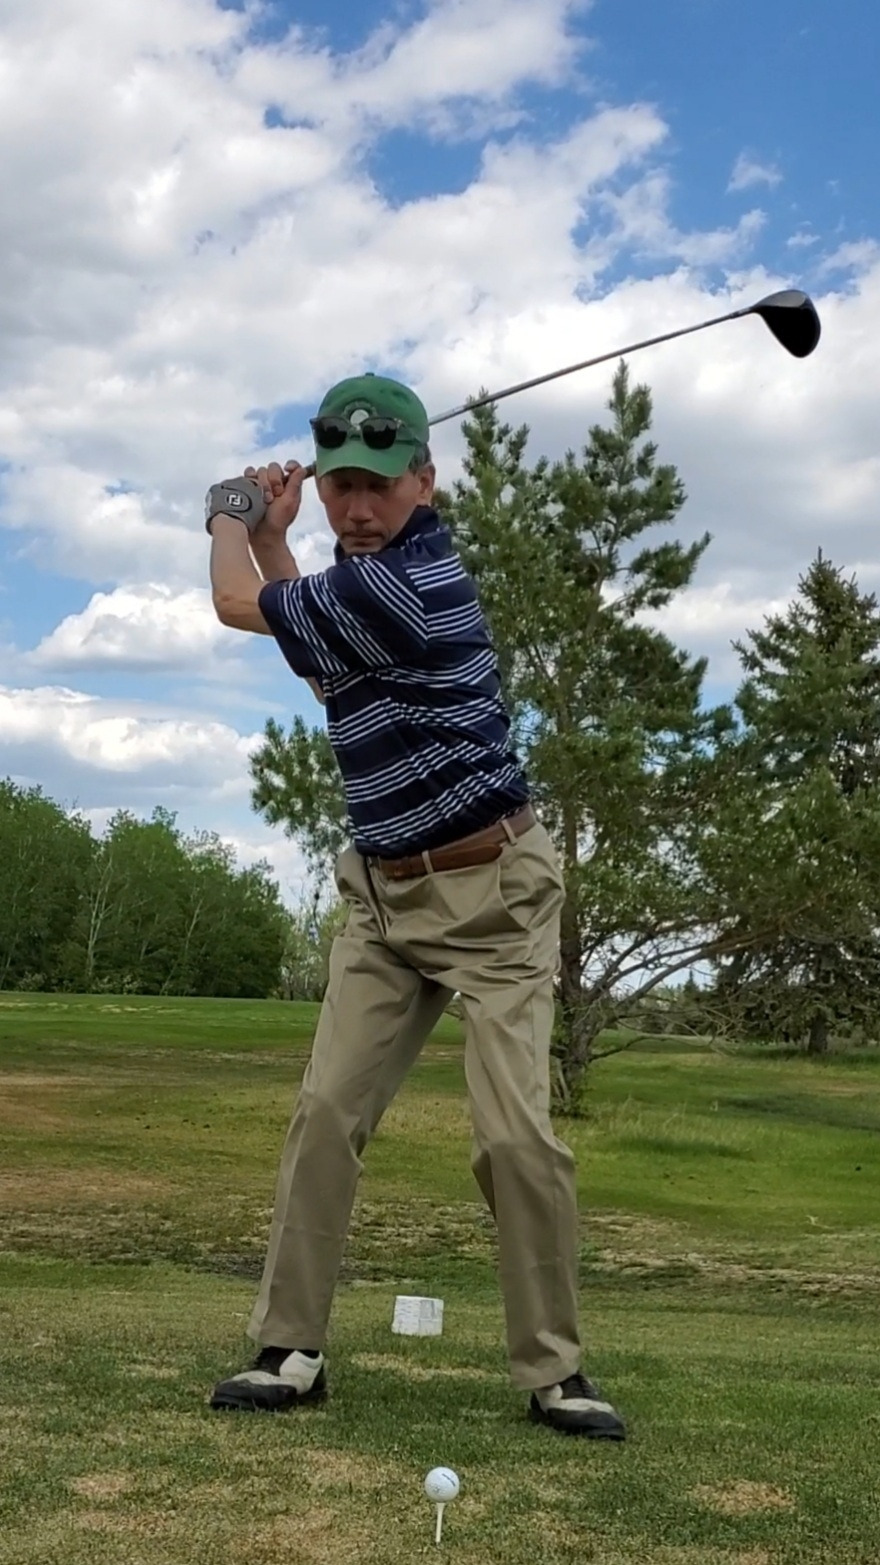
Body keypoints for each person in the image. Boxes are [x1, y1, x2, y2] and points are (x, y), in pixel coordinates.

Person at [205, 372, 625, 1439]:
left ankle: (556, 1368)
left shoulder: (412, 584)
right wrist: (275, 538)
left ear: (424, 483)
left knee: (512, 1137)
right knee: (325, 1112)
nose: (357, 507)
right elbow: (322, 668)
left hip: (494, 897)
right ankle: (289, 1348)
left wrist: (229, 514)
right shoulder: (360, 590)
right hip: (384, 899)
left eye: (379, 485)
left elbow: (235, 605)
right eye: (340, 484)